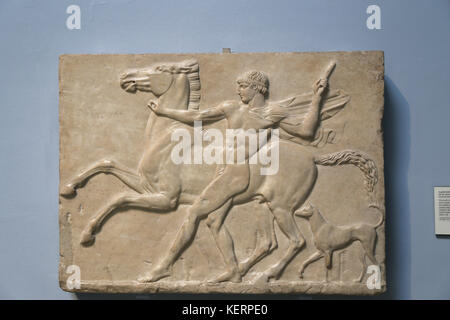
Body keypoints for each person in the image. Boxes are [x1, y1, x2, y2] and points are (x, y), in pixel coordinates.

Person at [141, 70, 328, 282]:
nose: (239, 91)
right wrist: (165, 111)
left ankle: (165, 266)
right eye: (238, 86)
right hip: (222, 169)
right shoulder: (231, 108)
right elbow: (199, 117)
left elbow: (306, 132)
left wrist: (317, 98)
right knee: (213, 221)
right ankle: (233, 271)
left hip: (237, 173)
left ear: (257, 88)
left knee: (194, 213)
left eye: (243, 86)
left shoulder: (270, 114)